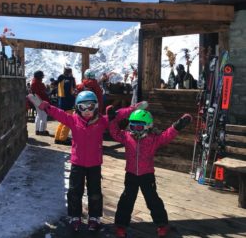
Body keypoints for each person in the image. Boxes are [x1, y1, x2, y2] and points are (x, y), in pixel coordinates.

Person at [107, 106, 192, 238]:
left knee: (153, 200)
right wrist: (112, 119)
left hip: (147, 175)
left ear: (148, 127)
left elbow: (166, 136)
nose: (135, 130)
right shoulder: (126, 136)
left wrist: (178, 125)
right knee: (126, 200)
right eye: (132, 126)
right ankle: (121, 226)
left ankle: (162, 224)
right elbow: (115, 132)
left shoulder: (153, 139)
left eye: (139, 127)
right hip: (131, 175)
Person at [34, 91, 109, 232]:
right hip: (77, 163)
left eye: (90, 106)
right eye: (83, 107)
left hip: (94, 164)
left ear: (96, 107)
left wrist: (133, 109)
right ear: (77, 108)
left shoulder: (102, 121)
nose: (87, 111)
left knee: (95, 192)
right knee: (74, 191)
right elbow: (59, 114)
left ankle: (94, 217)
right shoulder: (73, 120)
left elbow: (119, 115)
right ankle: (75, 216)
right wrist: (48, 107)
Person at [55, 66, 76, 144]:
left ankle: (57, 138)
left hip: (61, 102)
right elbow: (69, 92)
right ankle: (63, 138)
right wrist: (74, 96)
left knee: (62, 121)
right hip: (68, 102)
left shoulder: (60, 78)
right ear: (70, 72)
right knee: (68, 121)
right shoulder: (70, 79)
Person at [30, 71, 50, 136]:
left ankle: (37, 130)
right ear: (39, 77)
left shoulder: (33, 82)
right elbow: (43, 93)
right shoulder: (39, 84)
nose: (42, 78)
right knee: (44, 115)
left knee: (38, 115)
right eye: (41, 76)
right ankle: (42, 130)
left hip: (36, 101)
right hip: (41, 101)